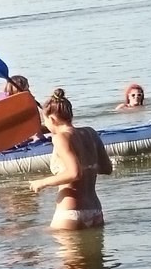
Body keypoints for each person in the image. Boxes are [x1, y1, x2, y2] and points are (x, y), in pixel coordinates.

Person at [31, 88, 114, 231]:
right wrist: (87, 166)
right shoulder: (90, 133)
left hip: (70, 211)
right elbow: (107, 168)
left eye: (45, 121)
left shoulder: (60, 138)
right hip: (95, 211)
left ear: (51, 119)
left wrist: (41, 182)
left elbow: (74, 173)